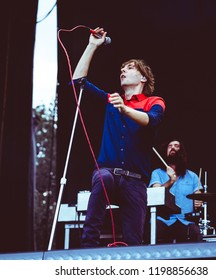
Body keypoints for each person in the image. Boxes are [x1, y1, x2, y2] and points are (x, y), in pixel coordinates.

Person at [71, 27, 166, 247]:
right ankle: (87, 249)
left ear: (142, 77)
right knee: (103, 178)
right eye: (121, 69)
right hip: (108, 171)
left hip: (135, 180)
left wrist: (125, 109)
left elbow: (151, 120)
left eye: (129, 68)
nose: (122, 71)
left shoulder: (154, 101)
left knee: (134, 242)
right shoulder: (112, 100)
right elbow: (78, 82)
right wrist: (92, 46)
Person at [149, 139, 203, 243]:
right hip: (163, 221)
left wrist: (198, 200)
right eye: (170, 146)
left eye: (176, 146)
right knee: (152, 228)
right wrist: (171, 181)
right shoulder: (157, 173)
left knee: (196, 232)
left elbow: (198, 194)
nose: (173, 148)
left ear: (182, 152)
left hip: (185, 221)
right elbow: (155, 194)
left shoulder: (192, 176)